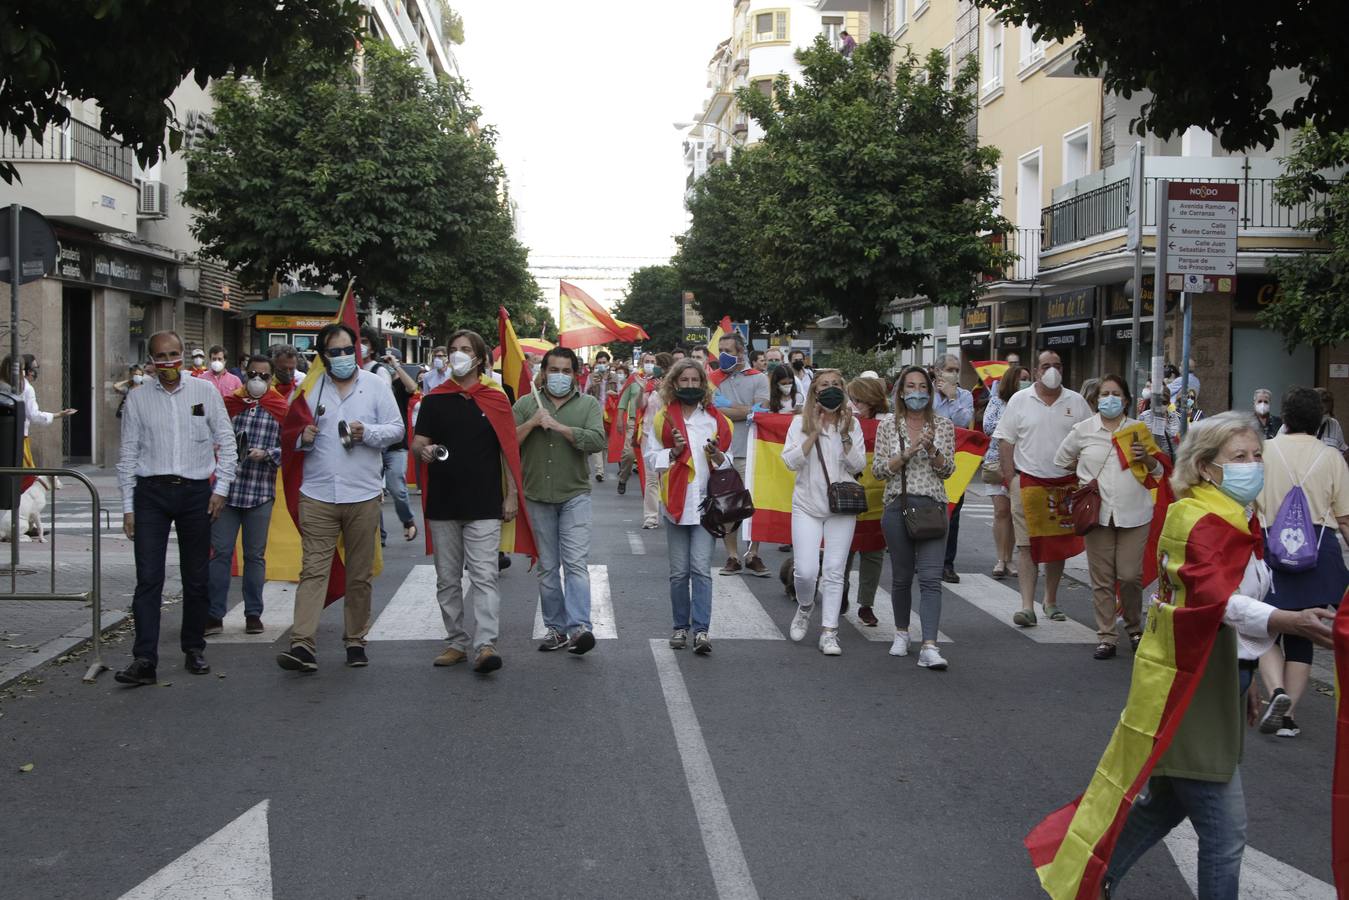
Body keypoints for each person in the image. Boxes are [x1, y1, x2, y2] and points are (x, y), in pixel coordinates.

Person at [1100, 412, 1335, 899]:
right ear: (1207, 467)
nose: (1253, 466)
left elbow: (1236, 606)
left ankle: (1089, 879)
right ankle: (1088, 878)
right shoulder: (1196, 517)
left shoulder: (1237, 515)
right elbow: (1216, 599)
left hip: (1218, 676)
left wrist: (1245, 674)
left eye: (1256, 456)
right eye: (1239, 457)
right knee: (1225, 835)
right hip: (1192, 680)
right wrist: (1288, 622)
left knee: (1165, 803)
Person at [276, 323, 404, 673]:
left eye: (349, 349)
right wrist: (302, 436)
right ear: (323, 356)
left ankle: (355, 640)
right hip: (317, 494)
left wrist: (369, 433)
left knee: (359, 575)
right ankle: (302, 644)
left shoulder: (376, 386)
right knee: (313, 570)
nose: (344, 357)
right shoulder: (308, 389)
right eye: (335, 352)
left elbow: (397, 429)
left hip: (362, 494)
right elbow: (288, 436)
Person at [114, 330, 237, 685]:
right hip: (150, 493)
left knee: (196, 577)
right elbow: (128, 455)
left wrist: (222, 488)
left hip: (196, 492)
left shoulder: (204, 392)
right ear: (150, 361)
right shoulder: (138, 399)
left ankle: (194, 647)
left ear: (184, 354)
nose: (167, 362)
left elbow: (226, 442)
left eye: (173, 354)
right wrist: (127, 506)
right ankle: (144, 659)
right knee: (148, 578)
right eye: (159, 357)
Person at [412, 329, 526, 674]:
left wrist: (510, 496)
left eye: (465, 350)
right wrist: (425, 450)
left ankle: (485, 644)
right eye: (453, 349)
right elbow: (417, 443)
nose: (457, 355)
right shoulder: (434, 399)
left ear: (479, 359)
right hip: (444, 502)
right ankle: (456, 642)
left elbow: (507, 450)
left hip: (484, 501)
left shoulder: (496, 399)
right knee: (447, 579)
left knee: (484, 576)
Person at [1255, 386, 1349, 739]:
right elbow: (1344, 518)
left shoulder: (1263, 451)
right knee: (1304, 634)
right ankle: (1289, 716)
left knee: (1265, 626)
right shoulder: (1331, 458)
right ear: (1321, 421)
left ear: (1286, 416)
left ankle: (1275, 691)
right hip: (1317, 551)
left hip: (1269, 546)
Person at [1053, 375, 1159, 660]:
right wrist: (1083, 480)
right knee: (1101, 578)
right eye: (1104, 393)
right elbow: (1061, 460)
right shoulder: (1083, 430)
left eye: (1115, 394)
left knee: (1129, 576)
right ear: (1097, 399)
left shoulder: (1138, 430)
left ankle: (1135, 627)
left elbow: (1158, 471)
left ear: (1125, 400)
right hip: (1096, 514)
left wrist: (1146, 459)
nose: (1109, 398)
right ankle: (1106, 635)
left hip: (1134, 513)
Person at [513, 347, 607, 654]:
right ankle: (555, 629)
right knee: (548, 567)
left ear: (575, 374)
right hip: (537, 495)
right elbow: (507, 442)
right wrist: (532, 423)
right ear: (543, 373)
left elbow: (597, 441)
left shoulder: (588, 404)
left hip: (574, 495)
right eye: (554, 370)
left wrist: (561, 428)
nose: (560, 376)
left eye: (566, 371)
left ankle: (580, 627)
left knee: (576, 564)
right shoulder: (527, 404)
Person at [991, 349, 1092, 627]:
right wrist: (1011, 479)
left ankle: (1050, 600)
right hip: (1028, 483)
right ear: (1036, 371)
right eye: (1046, 365)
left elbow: (1089, 440)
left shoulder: (1077, 401)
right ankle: (1026, 606)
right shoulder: (1020, 400)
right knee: (1026, 546)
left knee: (1056, 546)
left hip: (1064, 487)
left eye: (1057, 365)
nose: (1052, 370)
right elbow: (1006, 441)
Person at [646, 359, 733, 655]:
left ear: (703, 384)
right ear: (674, 383)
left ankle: (702, 631)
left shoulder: (716, 421)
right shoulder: (662, 419)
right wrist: (674, 452)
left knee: (701, 570)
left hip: (706, 505)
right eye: (684, 380)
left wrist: (718, 456)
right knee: (679, 573)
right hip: (675, 504)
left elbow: (729, 462)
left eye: (696, 380)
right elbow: (651, 458)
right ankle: (680, 627)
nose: (691, 385)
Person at [872, 366, 956, 668]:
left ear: (930, 392)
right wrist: (906, 454)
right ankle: (902, 632)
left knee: (932, 579)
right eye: (910, 386)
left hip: (932, 508)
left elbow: (948, 470)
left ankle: (930, 645)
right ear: (901, 391)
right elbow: (879, 470)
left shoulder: (943, 425)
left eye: (922, 387)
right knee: (902, 577)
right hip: (897, 506)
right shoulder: (888, 425)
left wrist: (931, 446)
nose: (917, 392)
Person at [782, 369, 866, 656]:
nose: (830, 389)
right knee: (805, 571)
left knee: (834, 571)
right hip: (807, 504)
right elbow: (790, 462)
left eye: (835, 385)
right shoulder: (798, 423)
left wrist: (844, 436)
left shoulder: (852, 425)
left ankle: (830, 632)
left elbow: (857, 465)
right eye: (824, 385)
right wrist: (814, 431)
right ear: (814, 392)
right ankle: (805, 606)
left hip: (842, 507)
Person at [206, 353, 283, 636]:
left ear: (271, 378)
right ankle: (214, 614)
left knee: (254, 556)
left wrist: (269, 454)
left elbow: (292, 447)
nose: (258, 380)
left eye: (264, 376)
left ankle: (253, 613)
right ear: (244, 374)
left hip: (260, 492)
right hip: (227, 493)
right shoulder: (230, 405)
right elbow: (210, 435)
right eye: (253, 374)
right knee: (221, 553)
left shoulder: (279, 407)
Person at [712, 332, 771, 576]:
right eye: (721, 350)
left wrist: (731, 408)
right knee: (729, 506)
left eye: (728, 350)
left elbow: (761, 411)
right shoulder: (714, 379)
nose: (723, 355)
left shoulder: (759, 378)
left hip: (752, 451)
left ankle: (753, 554)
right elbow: (716, 411)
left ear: (741, 353)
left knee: (753, 505)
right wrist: (745, 410)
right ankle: (732, 556)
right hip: (724, 451)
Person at [360, 328, 419, 545]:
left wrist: (395, 366)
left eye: (365, 342)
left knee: (396, 487)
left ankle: (407, 519)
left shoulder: (393, 382)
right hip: (370, 442)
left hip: (394, 446)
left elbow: (412, 387)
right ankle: (380, 536)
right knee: (373, 492)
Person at [844, 375, 890, 627]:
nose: (852, 404)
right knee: (843, 552)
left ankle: (866, 604)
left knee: (873, 554)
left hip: (879, 500)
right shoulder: (845, 422)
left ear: (869, 400)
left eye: (856, 400)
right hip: (847, 498)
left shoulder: (891, 423)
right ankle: (839, 594)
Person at [982, 365, 1030, 578]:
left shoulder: (1032, 403)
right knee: (1001, 511)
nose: (1026, 382)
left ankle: (1010, 559)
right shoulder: (997, 401)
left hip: (1022, 463)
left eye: (1028, 379)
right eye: (1022, 378)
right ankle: (1001, 559)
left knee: (1014, 512)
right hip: (997, 462)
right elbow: (988, 426)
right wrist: (1013, 424)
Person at [933, 353, 973, 584]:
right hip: (927, 460)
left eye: (957, 370)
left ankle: (947, 563)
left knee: (953, 514)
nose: (954, 374)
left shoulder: (964, 396)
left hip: (956, 462)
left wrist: (952, 398)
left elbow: (961, 422)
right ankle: (924, 559)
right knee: (925, 511)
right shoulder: (926, 394)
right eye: (950, 369)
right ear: (938, 372)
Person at [639, 352, 674, 529]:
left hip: (665, 437)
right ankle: (650, 517)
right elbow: (641, 406)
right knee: (652, 478)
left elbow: (674, 407)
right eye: (652, 363)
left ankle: (670, 512)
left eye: (657, 363)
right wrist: (643, 389)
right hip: (648, 434)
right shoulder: (650, 382)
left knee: (667, 477)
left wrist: (663, 390)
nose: (654, 366)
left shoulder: (673, 384)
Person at [616, 353, 654, 496]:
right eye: (647, 361)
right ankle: (623, 478)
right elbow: (623, 401)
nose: (649, 363)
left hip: (651, 424)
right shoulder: (633, 379)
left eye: (652, 361)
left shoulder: (658, 380)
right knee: (629, 454)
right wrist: (620, 419)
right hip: (633, 423)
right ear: (641, 363)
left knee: (649, 459)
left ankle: (648, 490)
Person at [585, 350, 613, 481]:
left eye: (604, 362)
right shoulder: (591, 377)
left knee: (606, 444)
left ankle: (602, 467)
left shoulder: (615, 377)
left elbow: (622, 393)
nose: (602, 364)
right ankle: (599, 470)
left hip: (610, 413)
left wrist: (614, 393)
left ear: (608, 363)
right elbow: (584, 394)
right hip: (595, 411)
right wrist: (592, 385)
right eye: (599, 362)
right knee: (598, 439)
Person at [1140, 383, 1182, 460]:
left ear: (1169, 403)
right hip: (1152, 463)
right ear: (1152, 401)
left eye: (1164, 402)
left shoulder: (1175, 417)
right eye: (1157, 401)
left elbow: (1179, 440)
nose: (1160, 405)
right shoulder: (1144, 417)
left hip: (1171, 464)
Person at [1314, 387, 1349, 455]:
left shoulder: (1334, 424)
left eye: (1326, 412)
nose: (1323, 415)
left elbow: (1343, 450)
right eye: (1320, 411)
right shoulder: (1299, 424)